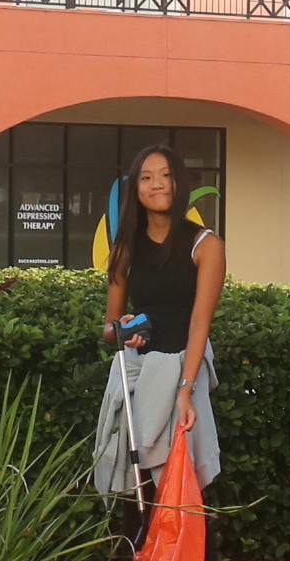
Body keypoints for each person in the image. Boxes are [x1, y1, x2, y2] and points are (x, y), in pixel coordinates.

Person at [92, 142, 227, 506]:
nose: (158, 185)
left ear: (180, 183)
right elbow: (108, 330)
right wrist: (123, 330)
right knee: (137, 485)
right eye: (147, 178)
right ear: (135, 189)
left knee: (182, 482)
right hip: (138, 373)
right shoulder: (124, 249)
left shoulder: (206, 245)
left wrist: (185, 389)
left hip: (185, 368)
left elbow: (200, 323)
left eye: (166, 176)